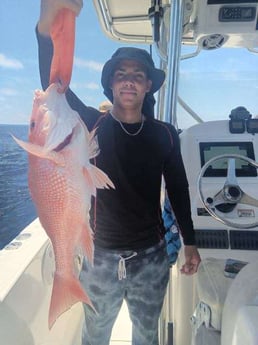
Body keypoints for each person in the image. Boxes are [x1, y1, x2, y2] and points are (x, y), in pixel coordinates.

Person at [37, 1, 201, 344]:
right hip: (99, 258)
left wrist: (191, 242)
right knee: (95, 336)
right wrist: (44, 31)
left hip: (151, 258)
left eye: (137, 76)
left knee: (146, 335)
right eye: (121, 75)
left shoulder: (165, 134)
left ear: (147, 87)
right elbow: (54, 88)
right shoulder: (91, 125)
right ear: (112, 84)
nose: (129, 81)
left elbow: (179, 189)